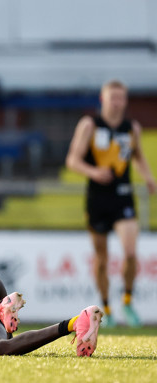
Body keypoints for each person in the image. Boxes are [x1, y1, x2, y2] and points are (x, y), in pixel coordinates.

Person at [66, 80, 156, 328]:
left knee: (129, 251)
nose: (117, 102)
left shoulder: (131, 128)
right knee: (102, 258)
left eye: (121, 98)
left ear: (126, 101)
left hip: (124, 196)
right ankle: (106, 307)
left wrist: (148, 178)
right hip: (97, 198)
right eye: (113, 98)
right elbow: (72, 160)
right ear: (103, 100)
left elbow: (138, 157)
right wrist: (95, 172)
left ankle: (127, 300)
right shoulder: (90, 125)